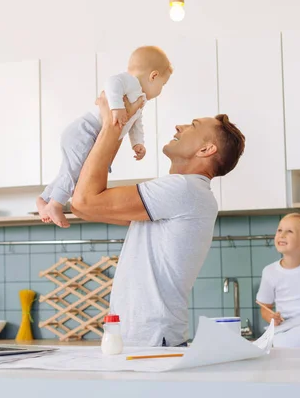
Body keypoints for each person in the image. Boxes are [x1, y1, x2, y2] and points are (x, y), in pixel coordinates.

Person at [71, 92, 246, 347]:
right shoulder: (185, 194)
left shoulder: (183, 189)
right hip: (146, 339)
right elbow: (85, 209)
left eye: (193, 126)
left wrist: (113, 124)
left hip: (151, 341)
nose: (179, 126)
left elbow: (83, 202)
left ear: (206, 149)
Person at [36, 46, 173, 228]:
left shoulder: (139, 98)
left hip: (90, 134)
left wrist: (137, 143)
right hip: (86, 131)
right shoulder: (131, 82)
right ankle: (55, 204)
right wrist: (117, 108)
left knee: (73, 171)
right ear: (153, 76)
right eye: (162, 85)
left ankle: (44, 199)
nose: (160, 90)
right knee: (74, 170)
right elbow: (111, 82)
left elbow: (136, 124)